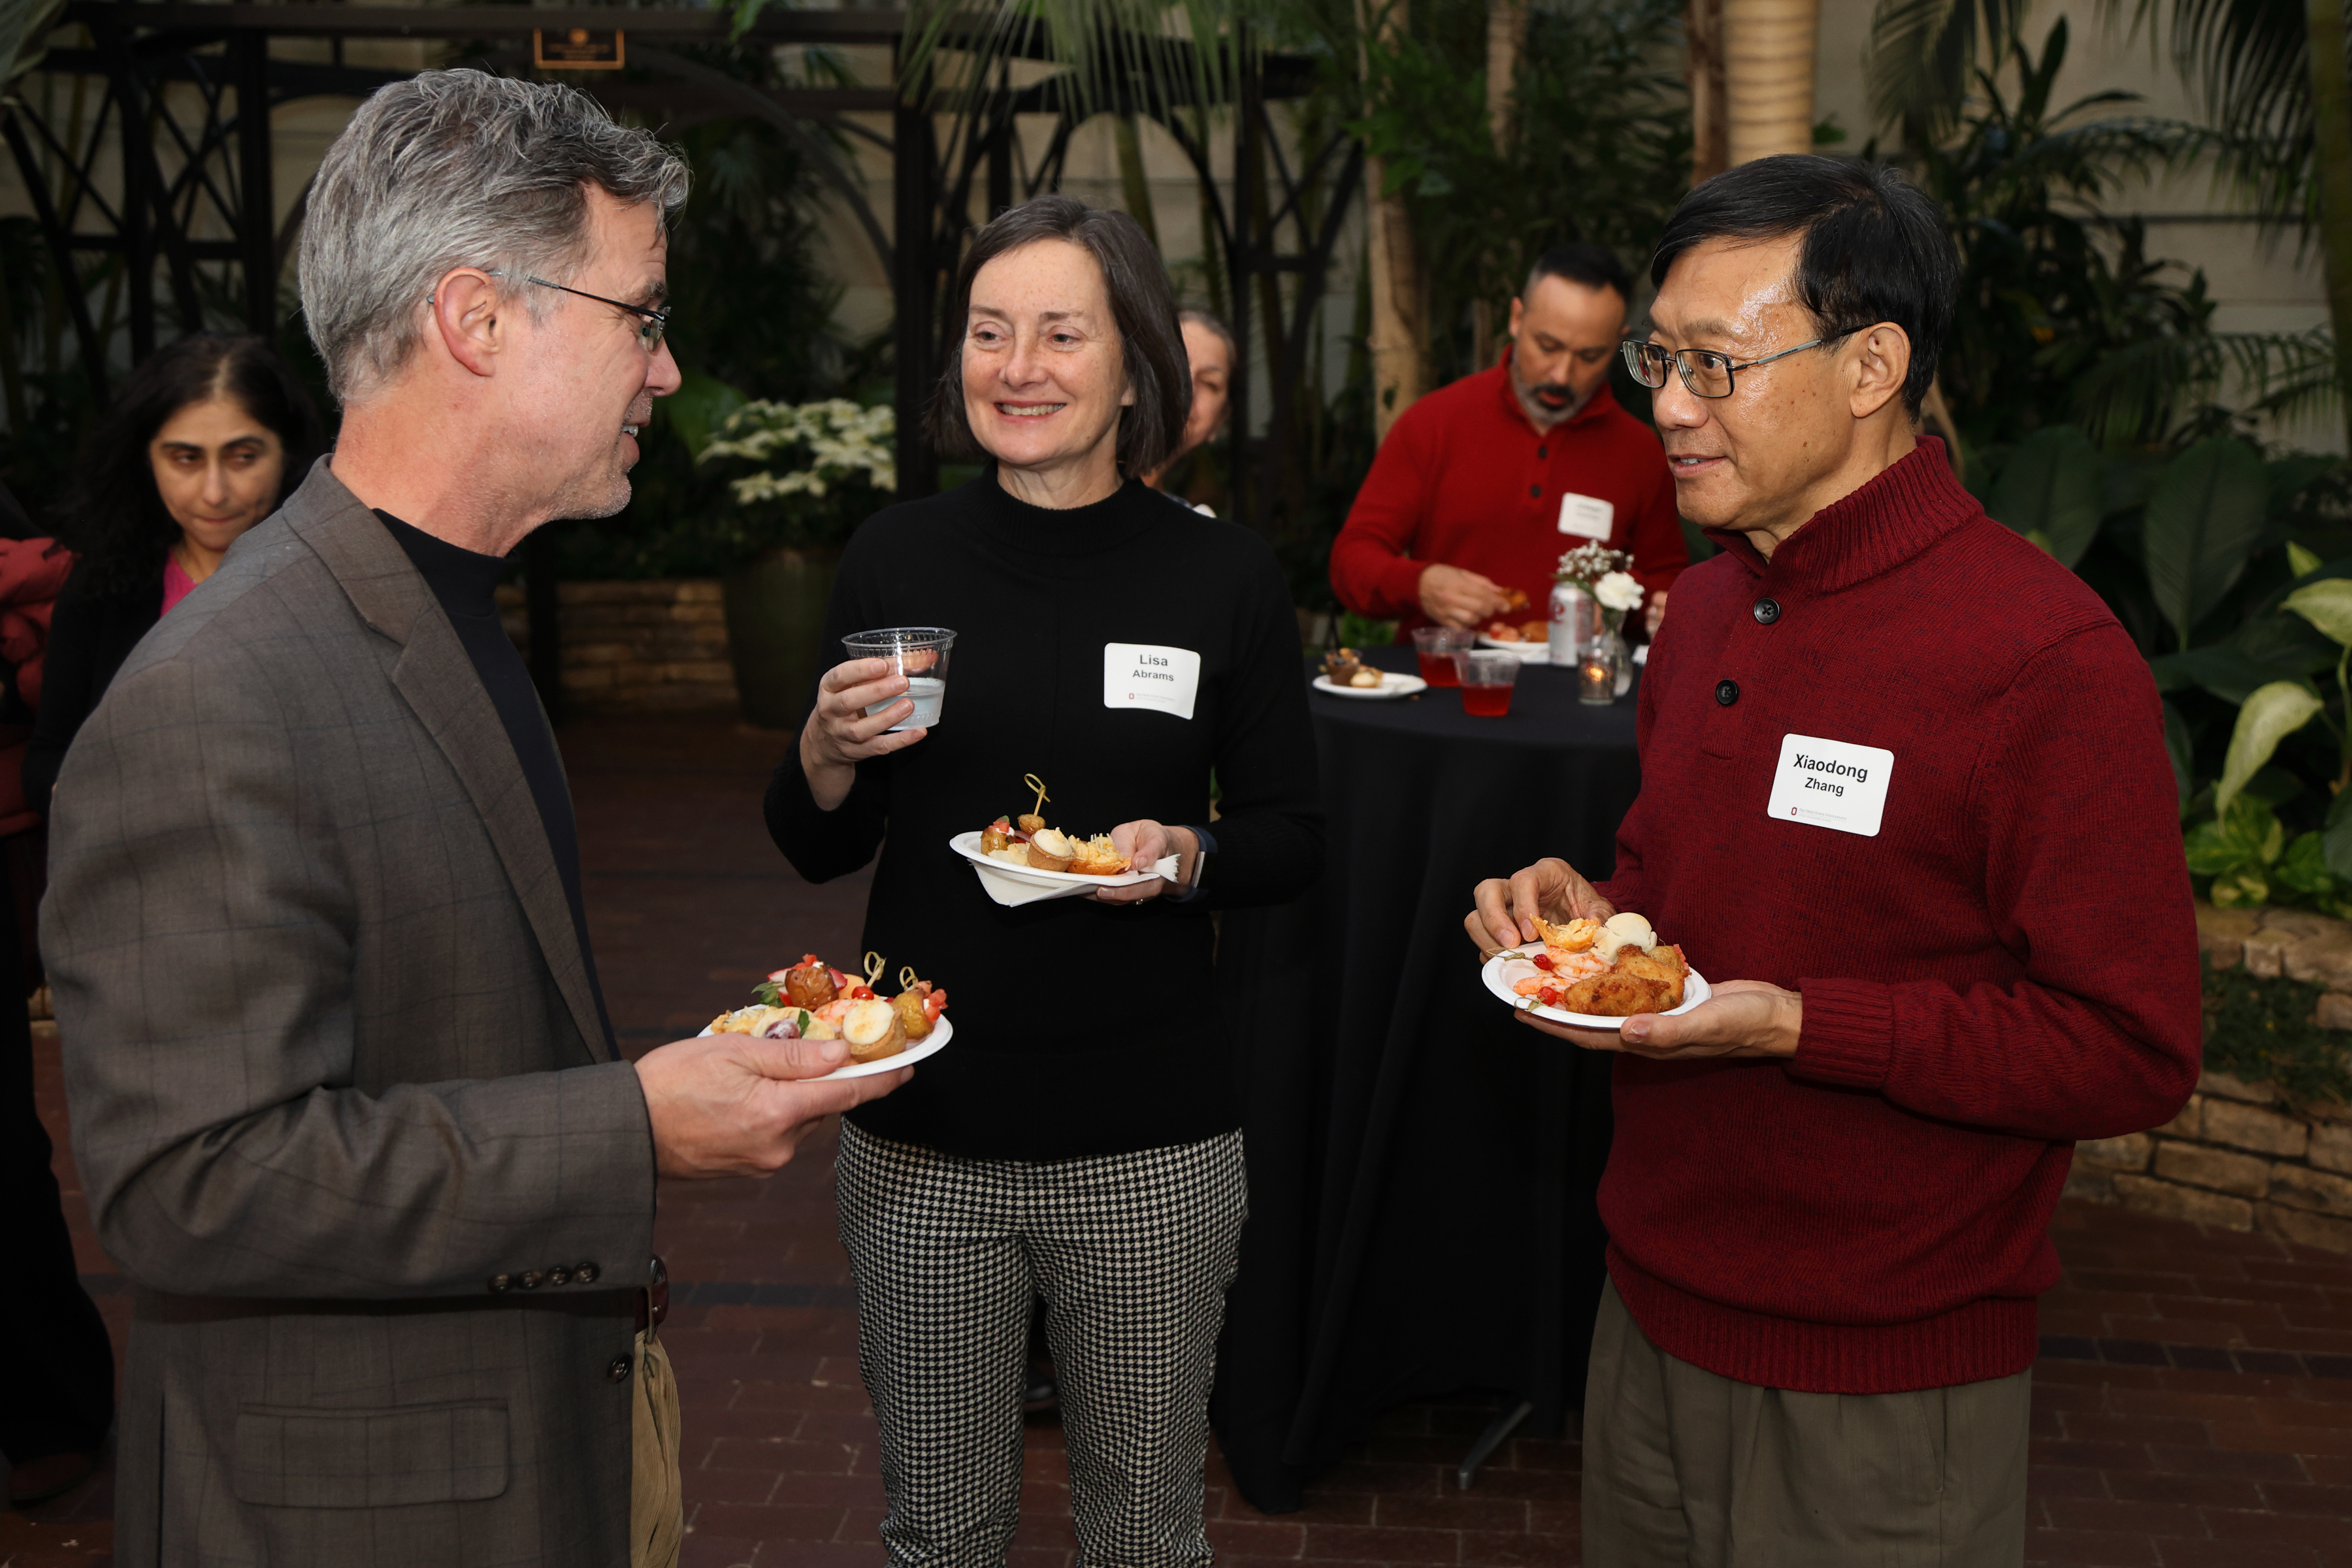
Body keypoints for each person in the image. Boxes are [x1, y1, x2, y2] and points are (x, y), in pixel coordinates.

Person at [45, 71, 906, 1568]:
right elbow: (188, 1184)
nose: (663, 365)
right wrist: (634, 1120)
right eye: (638, 314)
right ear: (477, 319)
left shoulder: (434, 608)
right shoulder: (212, 697)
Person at [1464, 155, 2200, 1565]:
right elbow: (1681, 907)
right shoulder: (1709, 612)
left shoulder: (2042, 660)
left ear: (1873, 367)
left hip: (1885, 1382)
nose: (1668, 404)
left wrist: (1800, 1025)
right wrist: (1594, 923)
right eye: (1659, 359)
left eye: (1717, 366)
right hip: (1648, 1319)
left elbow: (2130, 1048)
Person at [767, 194, 1322, 1568]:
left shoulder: (1222, 576)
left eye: (1060, 333)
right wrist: (824, 749)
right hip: (923, 1133)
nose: (1018, 366)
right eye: (989, 331)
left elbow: (1293, 837)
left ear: (1131, 362)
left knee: (1144, 1531)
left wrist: (1185, 854)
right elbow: (816, 839)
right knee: (940, 1533)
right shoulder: (898, 559)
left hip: (1149, 1141)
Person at [1330, 242, 1688, 639]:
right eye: (1547, 346)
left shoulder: (1638, 451)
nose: (1561, 375)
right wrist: (1421, 584)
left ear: (1617, 343)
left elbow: (1672, 582)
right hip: (1446, 680)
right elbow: (1351, 562)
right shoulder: (1435, 423)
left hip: (1579, 687)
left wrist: (1626, 598)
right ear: (1517, 319)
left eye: (1589, 356)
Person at [25, 334, 325, 806]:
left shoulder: (334, 586)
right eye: (185, 458)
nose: (213, 492)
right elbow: (47, 759)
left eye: (243, 457)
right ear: (146, 459)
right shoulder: (103, 588)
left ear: (288, 453)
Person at [1142, 308, 1233, 504]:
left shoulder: (1198, 530)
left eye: (1209, 383)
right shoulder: (1062, 484)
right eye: (1174, 363)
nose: (1187, 388)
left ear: (1220, 421)